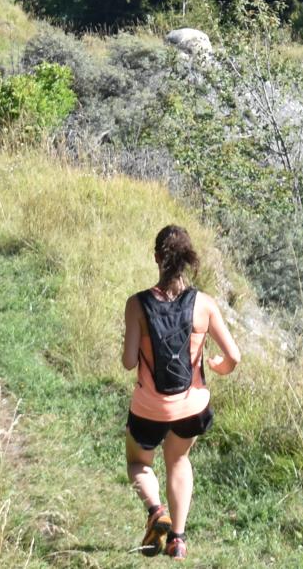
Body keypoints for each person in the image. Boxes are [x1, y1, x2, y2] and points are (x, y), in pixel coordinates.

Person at [123, 223, 239, 559]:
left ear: (156, 257)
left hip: (149, 408)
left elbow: (129, 362)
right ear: (187, 260)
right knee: (179, 459)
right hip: (191, 407)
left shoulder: (137, 304)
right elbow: (234, 356)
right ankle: (178, 539)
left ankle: (156, 509)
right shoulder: (204, 304)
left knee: (137, 462)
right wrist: (216, 366)